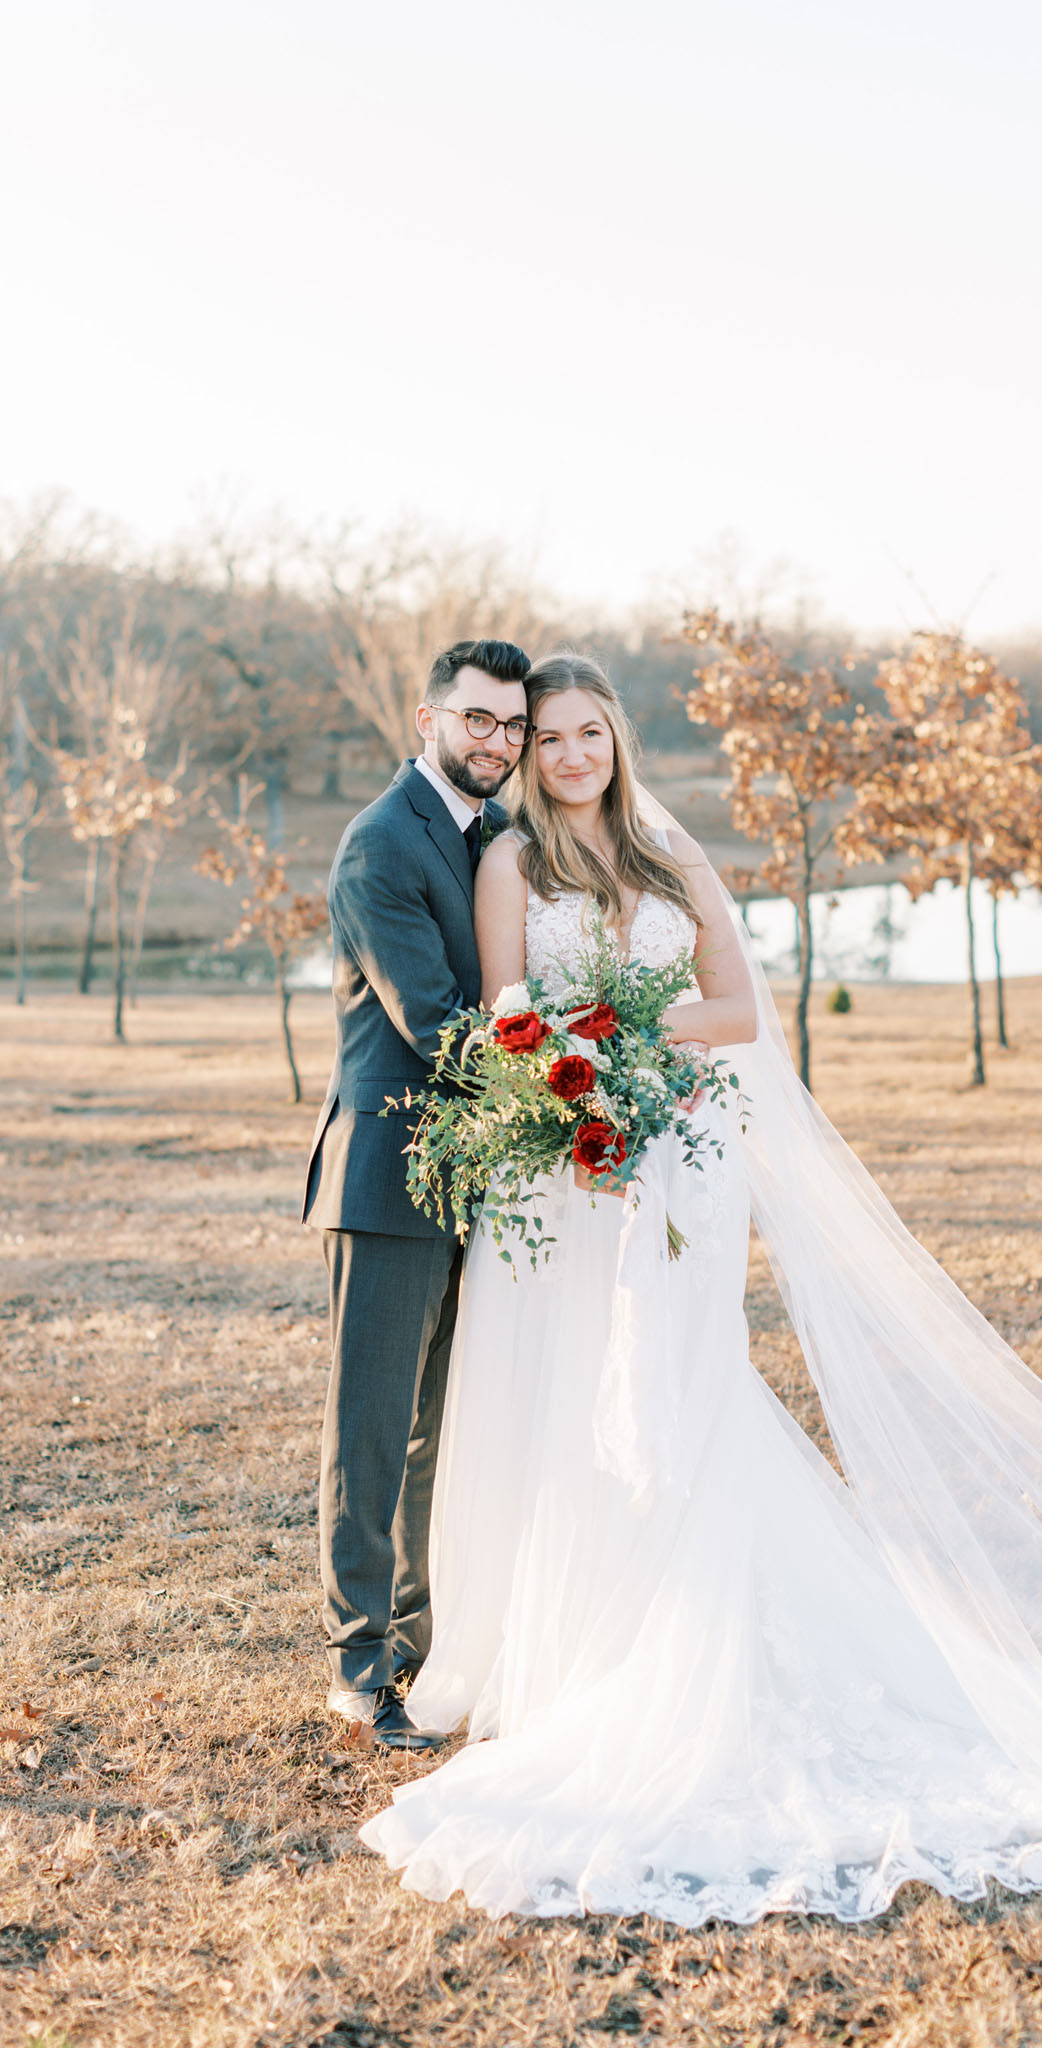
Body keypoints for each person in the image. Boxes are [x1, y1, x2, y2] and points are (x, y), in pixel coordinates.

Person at [361, 650, 1042, 1969]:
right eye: (544, 738)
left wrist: (634, 1045)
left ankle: (694, 1644)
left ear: (615, 737)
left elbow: (738, 1008)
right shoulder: (509, 862)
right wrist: (572, 1066)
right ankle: (565, 1653)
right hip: (561, 1170)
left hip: (676, 1160)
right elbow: (503, 1008)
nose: (566, 756)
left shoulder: (669, 853)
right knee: (557, 1399)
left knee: (675, 1395)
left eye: (584, 733)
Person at [303, 636, 531, 1748]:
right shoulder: (382, 843)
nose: (497, 740)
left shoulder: (494, 835)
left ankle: (422, 1645)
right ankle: (357, 1667)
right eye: (477, 718)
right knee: (374, 1427)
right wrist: (569, 1084)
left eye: (512, 724)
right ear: (426, 719)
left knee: (442, 1428)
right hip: (388, 1176)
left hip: (474, 1172)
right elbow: (437, 1023)